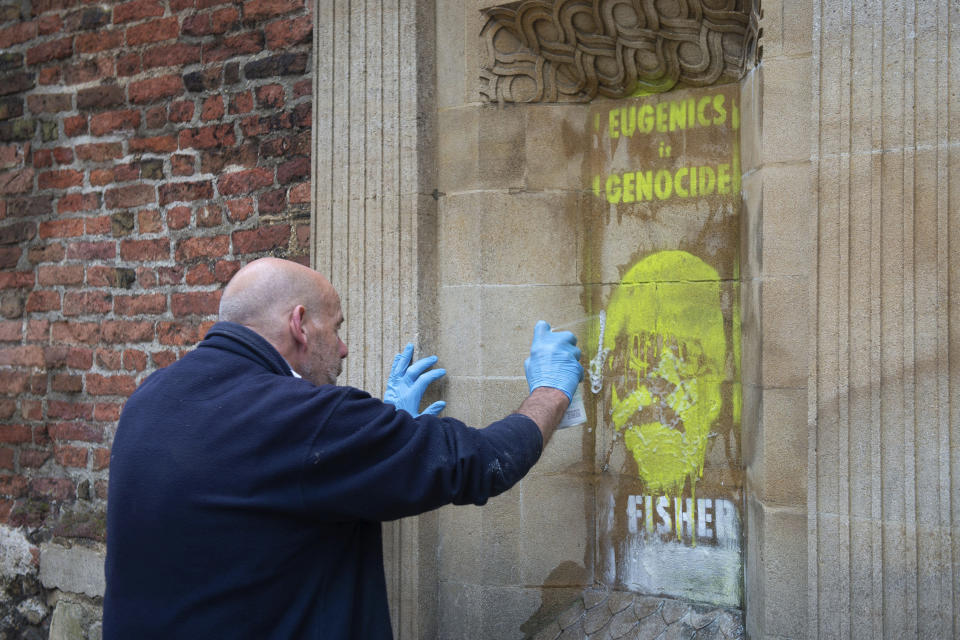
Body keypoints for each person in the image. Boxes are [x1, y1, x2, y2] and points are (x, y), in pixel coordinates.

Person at [103, 257, 582, 639]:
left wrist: (385, 438)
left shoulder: (150, 398)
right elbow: (479, 464)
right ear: (300, 324)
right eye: (336, 327)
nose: (346, 347)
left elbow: (270, 493)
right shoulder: (306, 418)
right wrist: (551, 391)